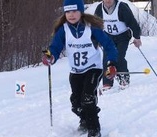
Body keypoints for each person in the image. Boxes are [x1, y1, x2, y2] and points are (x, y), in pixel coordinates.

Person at [41, 0, 118, 136]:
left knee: (87, 98)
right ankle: (85, 120)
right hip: (75, 71)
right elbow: (55, 47)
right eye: (68, 12)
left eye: (75, 11)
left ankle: (94, 130)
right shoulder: (63, 29)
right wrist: (51, 57)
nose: (71, 15)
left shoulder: (91, 27)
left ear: (81, 11)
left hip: (93, 68)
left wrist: (111, 63)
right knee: (76, 104)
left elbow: (109, 45)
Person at [94, 0, 142, 90]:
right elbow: (95, 26)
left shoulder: (121, 7)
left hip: (122, 36)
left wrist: (137, 37)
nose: (108, 1)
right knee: (107, 59)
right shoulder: (99, 9)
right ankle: (107, 82)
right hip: (108, 36)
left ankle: (124, 79)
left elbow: (132, 23)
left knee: (119, 57)